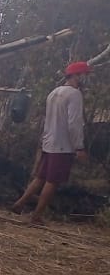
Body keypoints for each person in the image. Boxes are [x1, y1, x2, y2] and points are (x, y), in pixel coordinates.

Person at [11, 61, 92, 225]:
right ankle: (36, 215)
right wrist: (79, 147)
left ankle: (19, 204)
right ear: (77, 76)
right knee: (52, 181)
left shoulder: (54, 92)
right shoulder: (75, 95)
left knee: (40, 177)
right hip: (63, 145)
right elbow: (74, 123)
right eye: (85, 75)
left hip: (49, 142)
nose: (86, 79)